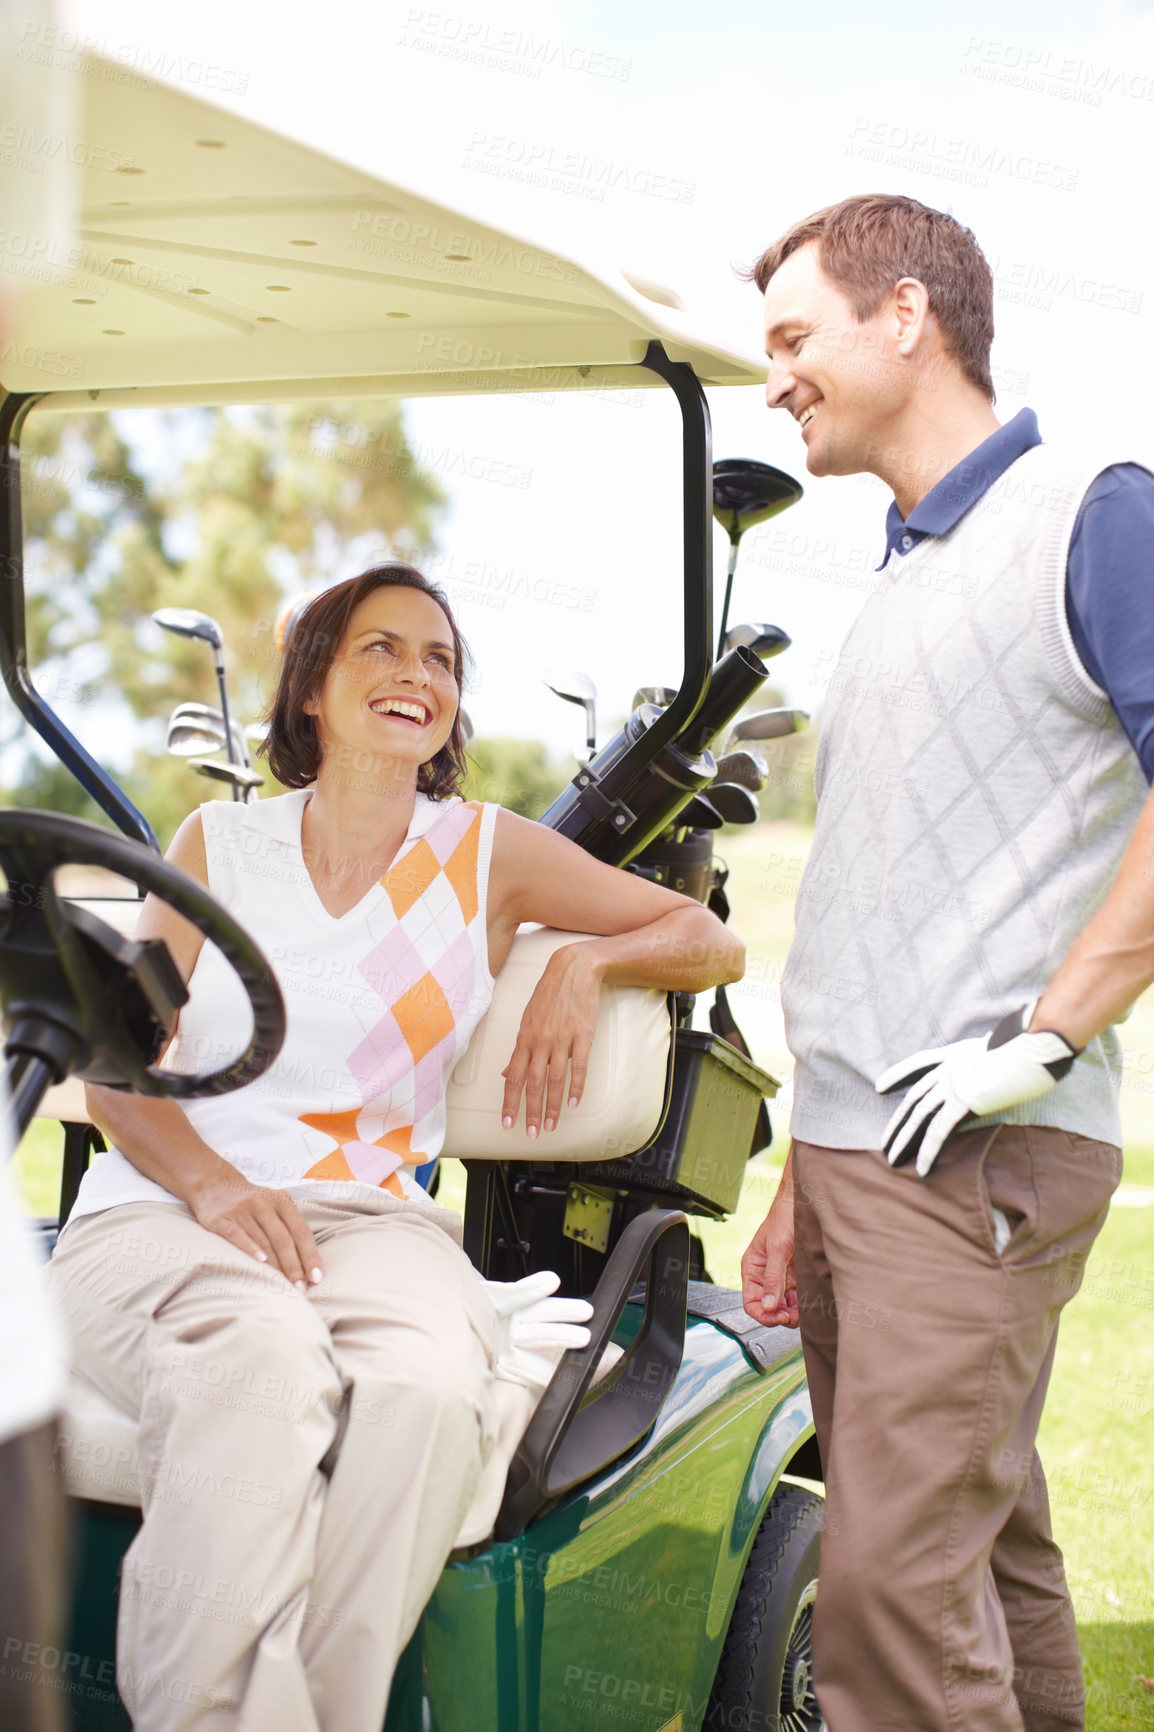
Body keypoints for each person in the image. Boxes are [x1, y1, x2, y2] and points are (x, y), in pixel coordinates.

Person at [50, 562, 744, 1732]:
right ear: (312, 685)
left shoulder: (486, 853)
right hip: (168, 1211)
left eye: (441, 660)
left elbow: (704, 938)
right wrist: (216, 1186)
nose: (417, 675)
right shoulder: (217, 842)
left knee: (427, 1388)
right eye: (381, 648)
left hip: (369, 1225)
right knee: (259, 1360)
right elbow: (116, 1073)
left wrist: (587, 961)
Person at [737, 194, 1154, 1732]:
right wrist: (798, 1170)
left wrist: (1045, 1036)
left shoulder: (1089, 509)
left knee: (893, 1614)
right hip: (860, 1158)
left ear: (903, 315)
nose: (772, 376)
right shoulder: (900, 577)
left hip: (972, 1159)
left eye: (794, 337)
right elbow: (872, 905)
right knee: (979, 1562)